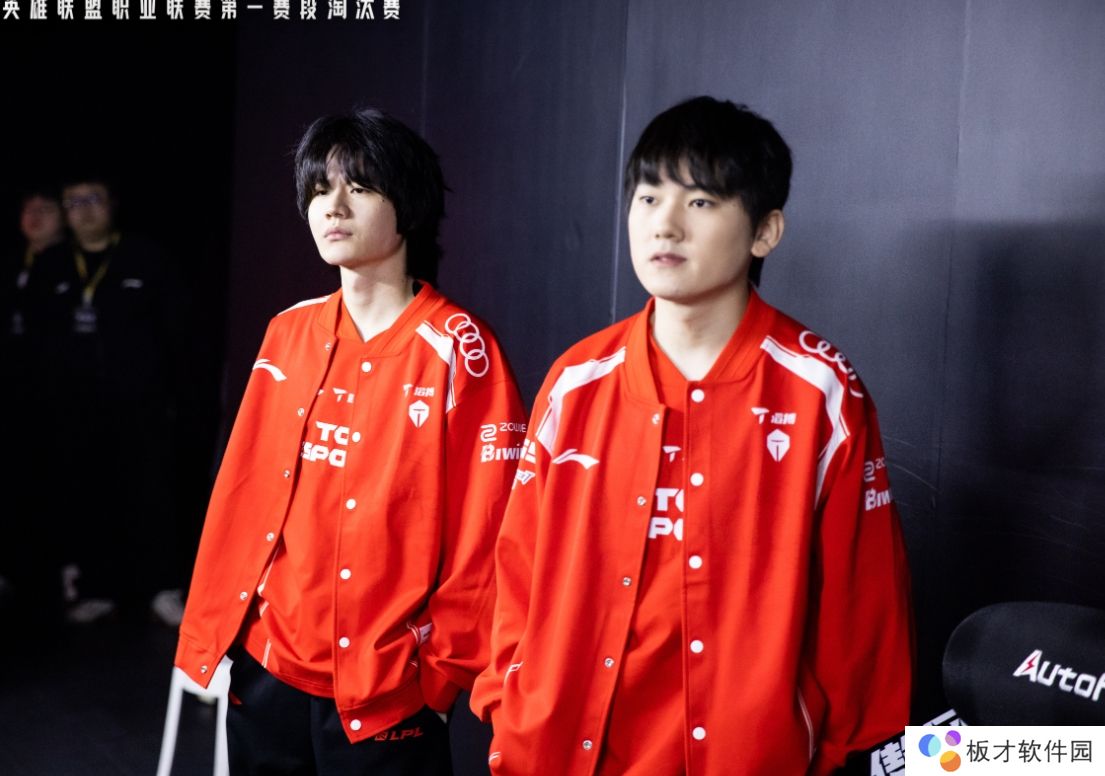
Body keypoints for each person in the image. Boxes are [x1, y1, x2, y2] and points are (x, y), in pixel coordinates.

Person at [471, 96, 914, 775]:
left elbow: (863, 609)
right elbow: (518, 568)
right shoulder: (577, 378)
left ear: (764, 231)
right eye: (648, 198)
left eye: (700, 202)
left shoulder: (819, 391)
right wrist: (509, 706)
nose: (665, 224)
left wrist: (830, 753)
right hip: (558, 751)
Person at [175, 108, 526, 775]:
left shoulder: (461, 348)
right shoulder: (287, 331)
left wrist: (439, 677)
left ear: (408, 204)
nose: (331, 207)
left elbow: (489, 536)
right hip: (267, 666)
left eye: (358, 187)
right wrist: (218, 631)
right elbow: (242, 492)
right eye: (318, 190)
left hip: (388, 688)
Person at [29, 175, 190, 624]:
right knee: (87, 496)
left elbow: (175, 331)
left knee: (151, 494)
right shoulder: (52, 265)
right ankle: (99, 587)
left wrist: (171, 393)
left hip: (140, 405)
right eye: (72, 202)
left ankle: (162, 587)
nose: (83, 209)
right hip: (75, 407)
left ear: (112, 203)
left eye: (92, 199)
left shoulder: (145, 257)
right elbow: (37, 338)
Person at [0, 187, 68, 627]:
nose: (34, 216)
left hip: (56, 398)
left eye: (44, 209)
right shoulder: (12, 263)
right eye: (28, 209)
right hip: (12, 396)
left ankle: (56, 579)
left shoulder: (68, 266)